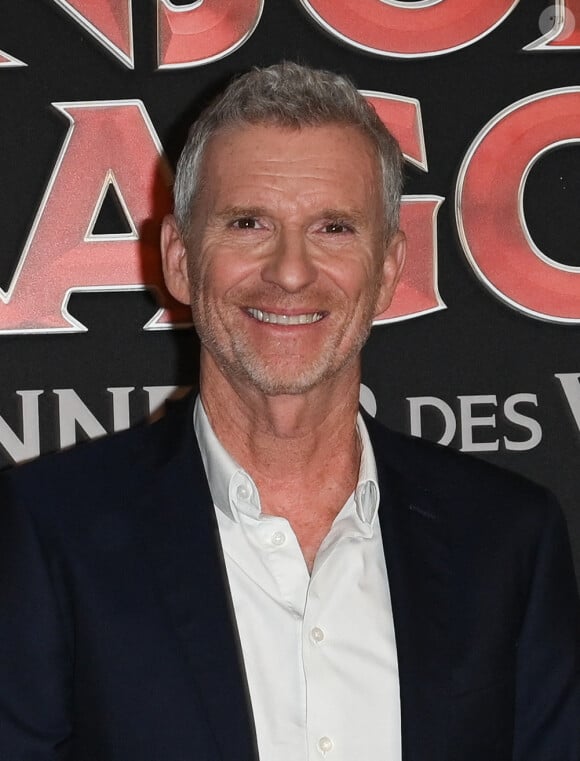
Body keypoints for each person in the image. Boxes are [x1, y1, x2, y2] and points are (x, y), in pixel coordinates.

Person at [0, 63, 578, 761]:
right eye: (248, 223)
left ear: (390, 268)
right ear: (180, 259)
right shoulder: (47, 531)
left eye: (334, 227)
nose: (291, 271)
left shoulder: (507, 539)